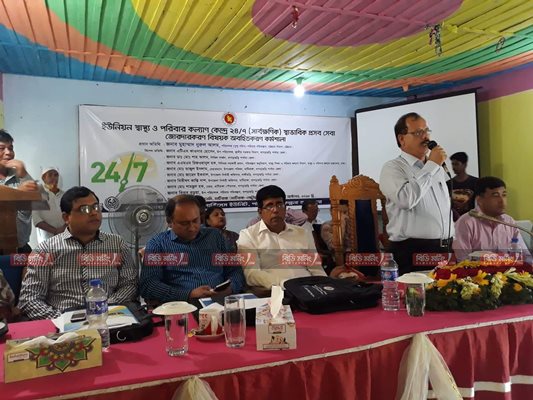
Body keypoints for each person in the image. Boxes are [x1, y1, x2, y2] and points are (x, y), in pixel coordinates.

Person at [18, 186, 138, 320]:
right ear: (66, 217)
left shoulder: (117, 244)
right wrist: (63, 320)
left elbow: (130, 285)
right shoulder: (45, 251)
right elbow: (30, 298)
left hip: (109, 318)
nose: (93, 213)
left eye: (96, 207)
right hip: (62, 323)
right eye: (84, 209)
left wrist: (102, 309)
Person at [379, 112, 454, 275]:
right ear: (402, 139)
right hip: (410, 251)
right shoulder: (393, 168)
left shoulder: (436, 168)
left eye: (427, 131)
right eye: (418, 132)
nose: (425, 137)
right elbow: (406, 200)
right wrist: (432, 165)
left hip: (444, 249)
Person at [140, 195, 245, 303]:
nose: (192, 227)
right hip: (182, 305)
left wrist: (230, 288)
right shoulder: (158, 244)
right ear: (169, 222)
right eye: (184, 223)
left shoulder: (216, 237)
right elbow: (148, 285)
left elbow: (235, 271)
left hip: (221, 301)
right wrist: (188, 294)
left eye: (195, 220)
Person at [237, 185, 327, 290]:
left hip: (309, 289)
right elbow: (252, 274)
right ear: (260, 212)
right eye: (269, 206)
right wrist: (284, 284)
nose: (275, 210)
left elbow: (316, 269)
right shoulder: (248, 235)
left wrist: (326, 286)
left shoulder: (303, 233)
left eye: (279, 204)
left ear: (285, 208)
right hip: (276, 291)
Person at [453, 176, 531, 262]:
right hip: (478, 270)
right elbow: (462, 260)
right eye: (495, 195)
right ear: (479, 200)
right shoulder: (465, 223)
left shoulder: (509, 222)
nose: (502, 201)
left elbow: (525, 257)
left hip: (509, 270)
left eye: (504, 195)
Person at [0, 129, 39, 253]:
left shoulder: (20, 175)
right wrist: (17, 194)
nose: (8, 153)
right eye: (1, 148)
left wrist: (24, 175)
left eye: (11, 148)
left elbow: (40, 198)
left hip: (21, 247)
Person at [33, 167, 67, 243]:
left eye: (56, 175)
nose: (53, 177)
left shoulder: (65, 195)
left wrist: (64, 229)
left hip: (65, 237)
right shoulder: (38, 195)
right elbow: (36, 220)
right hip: (46, 240)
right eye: (50, 175)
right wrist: (55, 231)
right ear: (43, 178)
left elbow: (71, 214)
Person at [447, 152, 478, 218]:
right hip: (453, 220)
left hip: (472, 219)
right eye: (452, 164)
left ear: (465, 164)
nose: (453, 167)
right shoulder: (448, 184)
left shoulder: (476, 182)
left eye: (456, 164)